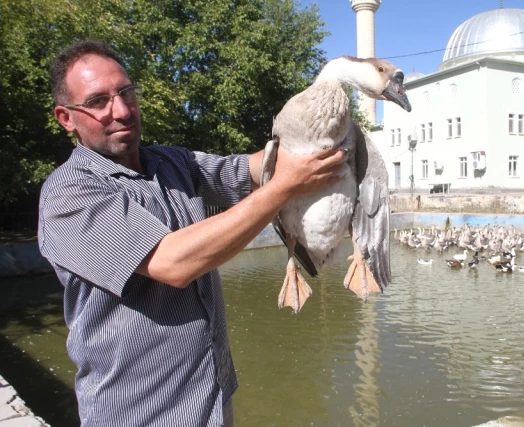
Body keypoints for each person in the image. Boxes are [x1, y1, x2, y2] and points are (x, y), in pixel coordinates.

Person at [38, 39, 346, 426]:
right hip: (138, 415)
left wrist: (316, 140)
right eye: (98, 102)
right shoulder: (69, 194)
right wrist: (285, 186)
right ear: (66, 118)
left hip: (212, 401)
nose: (120, 110)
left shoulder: (170, 161)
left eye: (126, 93)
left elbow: (244, 169)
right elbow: (173, 262)